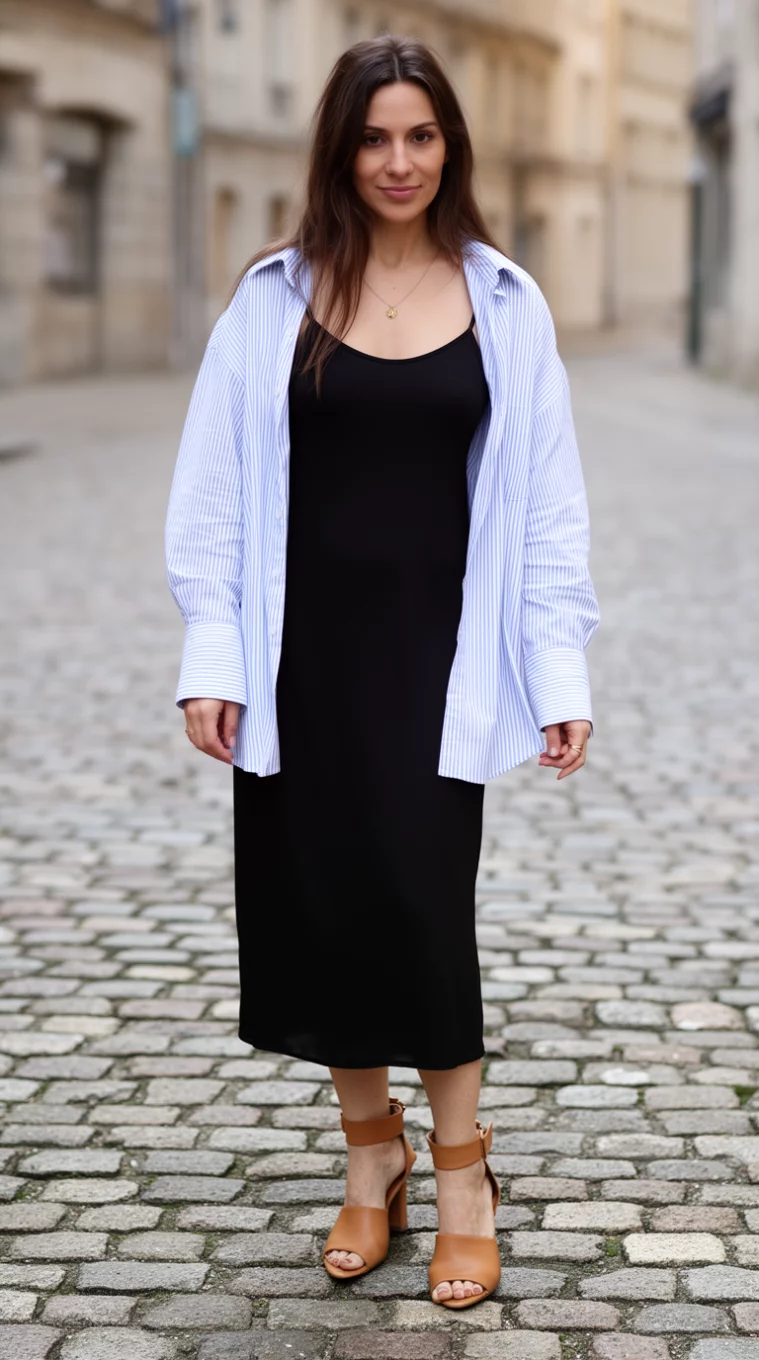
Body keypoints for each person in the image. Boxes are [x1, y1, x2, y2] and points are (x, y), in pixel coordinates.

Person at [165, 34, 599, 1311]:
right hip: (300, 661)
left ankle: (464, 1175)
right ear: (339, 150)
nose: (398, 161)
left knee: (422, 909)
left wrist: (558, 672)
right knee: (319, 913)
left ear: (449, 145)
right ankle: (373, 1159)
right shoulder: (272, 297)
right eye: (373, 137)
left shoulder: (506, 301)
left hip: (437, 658)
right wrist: (213, 655)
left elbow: (549, 506)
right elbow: (212, 492)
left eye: (420, 135)